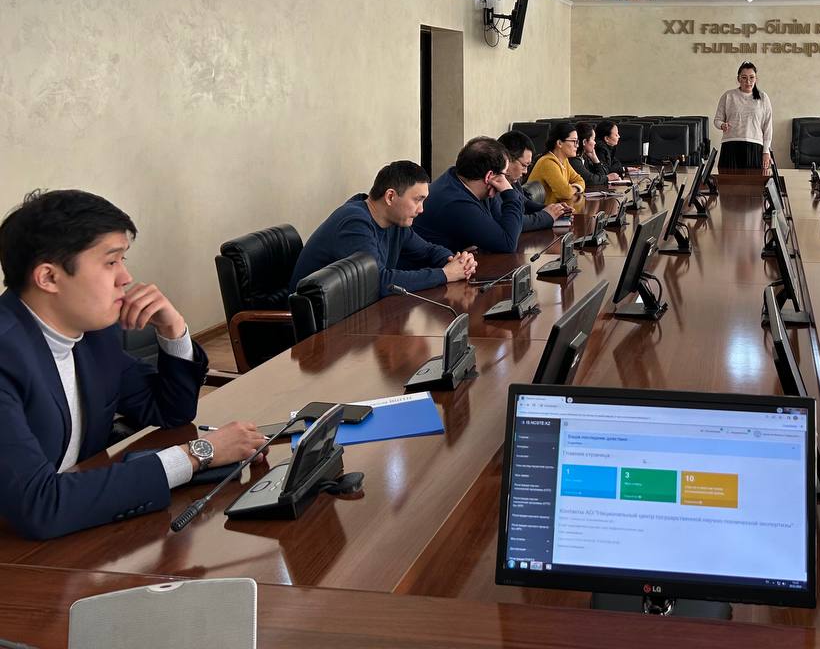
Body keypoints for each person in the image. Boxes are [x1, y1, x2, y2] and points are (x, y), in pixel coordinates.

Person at [0, 190, 267, 539]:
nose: (125, 277)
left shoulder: (94, 336)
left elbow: (170, 410)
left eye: (123, 260)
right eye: (111, 262)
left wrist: (173, 330)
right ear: (49, 278)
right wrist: (197, 454)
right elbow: (41, 505)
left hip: (75, 528)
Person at [290, 160, 475, 296]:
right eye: (417, 200)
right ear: (390, 197)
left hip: (351, 317)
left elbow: (427, 251)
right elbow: (377, 282)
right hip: (314, 327)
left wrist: (456, 262)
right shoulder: (355, 223)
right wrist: (445, 274)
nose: (421, 209)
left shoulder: (395, 222)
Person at [413, 138, 524, 253]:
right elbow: (507, 244)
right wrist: (510, 193)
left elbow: (506, 224)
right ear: (489, 176)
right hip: (428, 263)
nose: (504, 180)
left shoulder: (459, 179)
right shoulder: (456, 202)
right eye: (504, 174)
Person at [498, 130, 569, 231]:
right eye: (524, 165)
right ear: (506, 160)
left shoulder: (513, 181)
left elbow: (524, 203)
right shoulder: (493, 188)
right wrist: (546, 216)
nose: (525, 172)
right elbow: (513, 222)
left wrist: (554, 209)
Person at [714, 61, 774, 171]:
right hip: (730, 145)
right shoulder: (728, 96)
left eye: (751, 77)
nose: (748, 81)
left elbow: (768, 127)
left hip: (755, 147)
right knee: (727, 180)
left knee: (754, 181)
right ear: (738, 79)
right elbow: (717, 120)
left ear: (756, 79)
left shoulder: (763, 97)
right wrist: (722, 125)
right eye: (744, 77)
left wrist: (766, 152)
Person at [527, 122, 587, 203]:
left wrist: (572, 188)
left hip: (554, 208)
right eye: (574, 141)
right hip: (542, 210)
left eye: (577, 141)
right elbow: (565, 193)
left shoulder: (564, 160)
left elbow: (580, 180)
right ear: (559, 143)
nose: (577, 145)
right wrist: (574, 188)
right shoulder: (548, 163)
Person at [569, 122, 619, 187]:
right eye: (593, 139)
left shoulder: (585, 156)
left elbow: (602, 175)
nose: (595, 143)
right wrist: (607, 178)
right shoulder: (573, 159)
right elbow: (589, 179)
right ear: (584, 142)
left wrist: (595, 159)